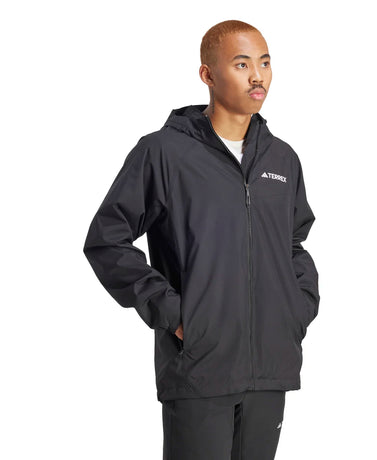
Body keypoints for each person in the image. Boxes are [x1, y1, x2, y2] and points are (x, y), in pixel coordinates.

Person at [83, 19, 320, 460]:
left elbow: (293, 243)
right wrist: (175, 315)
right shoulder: (164, 153)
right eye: (242, 64)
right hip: (199, 368)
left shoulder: (282, 158)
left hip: (270, 370)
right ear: (208, 74)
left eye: (265, 63)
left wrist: (297, 309)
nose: (257, 76)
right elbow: (107, 239)